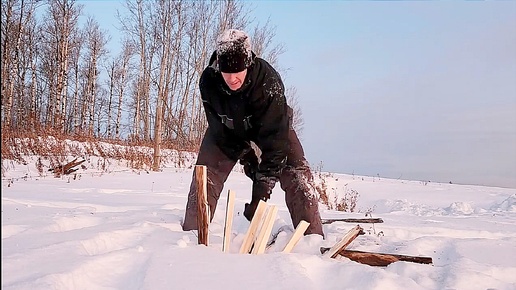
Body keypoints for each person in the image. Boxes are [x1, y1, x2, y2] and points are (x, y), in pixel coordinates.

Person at [182, 29, 324, 237]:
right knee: (204, 175)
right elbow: (219, 130)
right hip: (227, 129)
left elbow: (276, 140)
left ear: (248, 63)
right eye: (226, 71)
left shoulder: (268, 81)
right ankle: (190, 235)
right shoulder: (209, 82)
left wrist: (262, 189)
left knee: (297, 175)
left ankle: (311, 238)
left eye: (238, 70)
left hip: (271, 127)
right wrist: (247, 158)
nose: (232, 78)